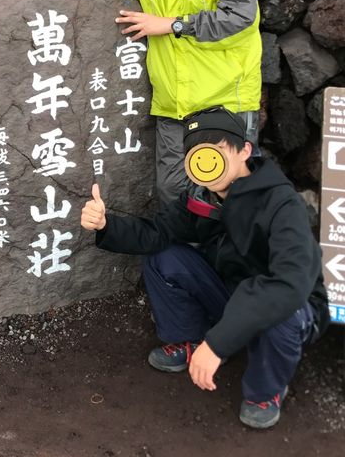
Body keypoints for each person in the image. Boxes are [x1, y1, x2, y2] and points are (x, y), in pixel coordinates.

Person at [80, 106, 330, 429]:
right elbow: (156, 233)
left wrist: (218, 343)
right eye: (197, 155)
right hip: (233, 296)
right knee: (162, 254)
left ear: (244, 151)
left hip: (292, 308)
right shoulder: (201, 199)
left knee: (280, 309)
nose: (206, 163)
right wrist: (106, 226)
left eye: (216, 151)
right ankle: (189, 339)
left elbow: (288, 284)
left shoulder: (281, 204)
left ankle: (264, 390)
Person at [28, 0, 262, 203]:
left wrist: (169, 24)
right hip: (172, 107)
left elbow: (240, 14)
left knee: (231, 198)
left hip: (223, 101)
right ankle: (185, 258)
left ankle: (234, 257)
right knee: (174, 198)